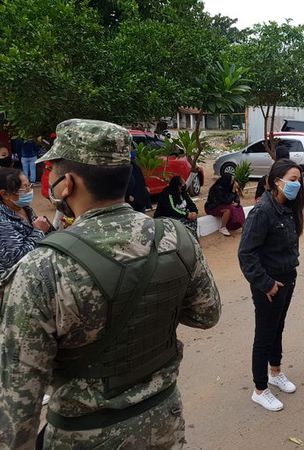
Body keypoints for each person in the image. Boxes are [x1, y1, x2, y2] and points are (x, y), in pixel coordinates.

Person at [0, 119, 221, 449]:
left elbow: (19, 406)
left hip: (84, 437)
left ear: (67, 184)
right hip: (163, 425)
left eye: (54, 170)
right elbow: (206, 315)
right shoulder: (177, 238)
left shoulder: (42, 268)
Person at [238, 159, 304, 412]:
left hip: (288, 278)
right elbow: (246, 254)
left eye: (299, 179)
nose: (297, 184)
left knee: (278, 328)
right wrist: (265, 284)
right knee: (264, 335)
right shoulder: (262, 211)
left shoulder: (286, 208)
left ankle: (275, 372)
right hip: (270, 284)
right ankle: (260, 388)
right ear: (277, 182)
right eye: (293, 179)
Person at [0, 167, 51, 279]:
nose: (30, 192)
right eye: (24, 189)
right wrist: (39, 231)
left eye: (29, 186)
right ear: (5, 194)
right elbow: (15, 260)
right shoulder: (3, 222)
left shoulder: (23, 208)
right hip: (16, 280)